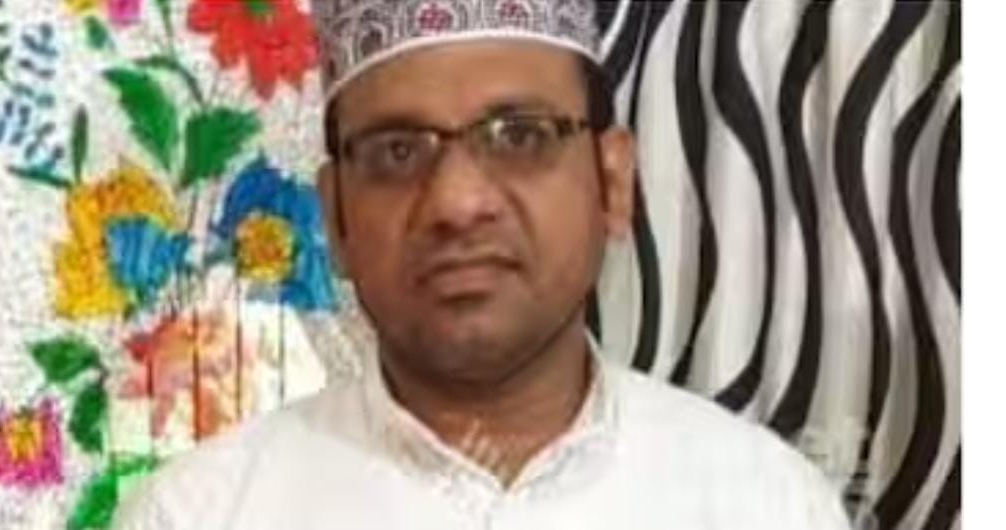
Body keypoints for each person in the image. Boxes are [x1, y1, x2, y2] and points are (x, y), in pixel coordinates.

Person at [114, 1, 852, 528]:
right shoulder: (200, 513)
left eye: (520, 136)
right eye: (398, 151)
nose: (458, 203)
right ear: (335, 216)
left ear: (614, 181)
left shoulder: (768, 505)